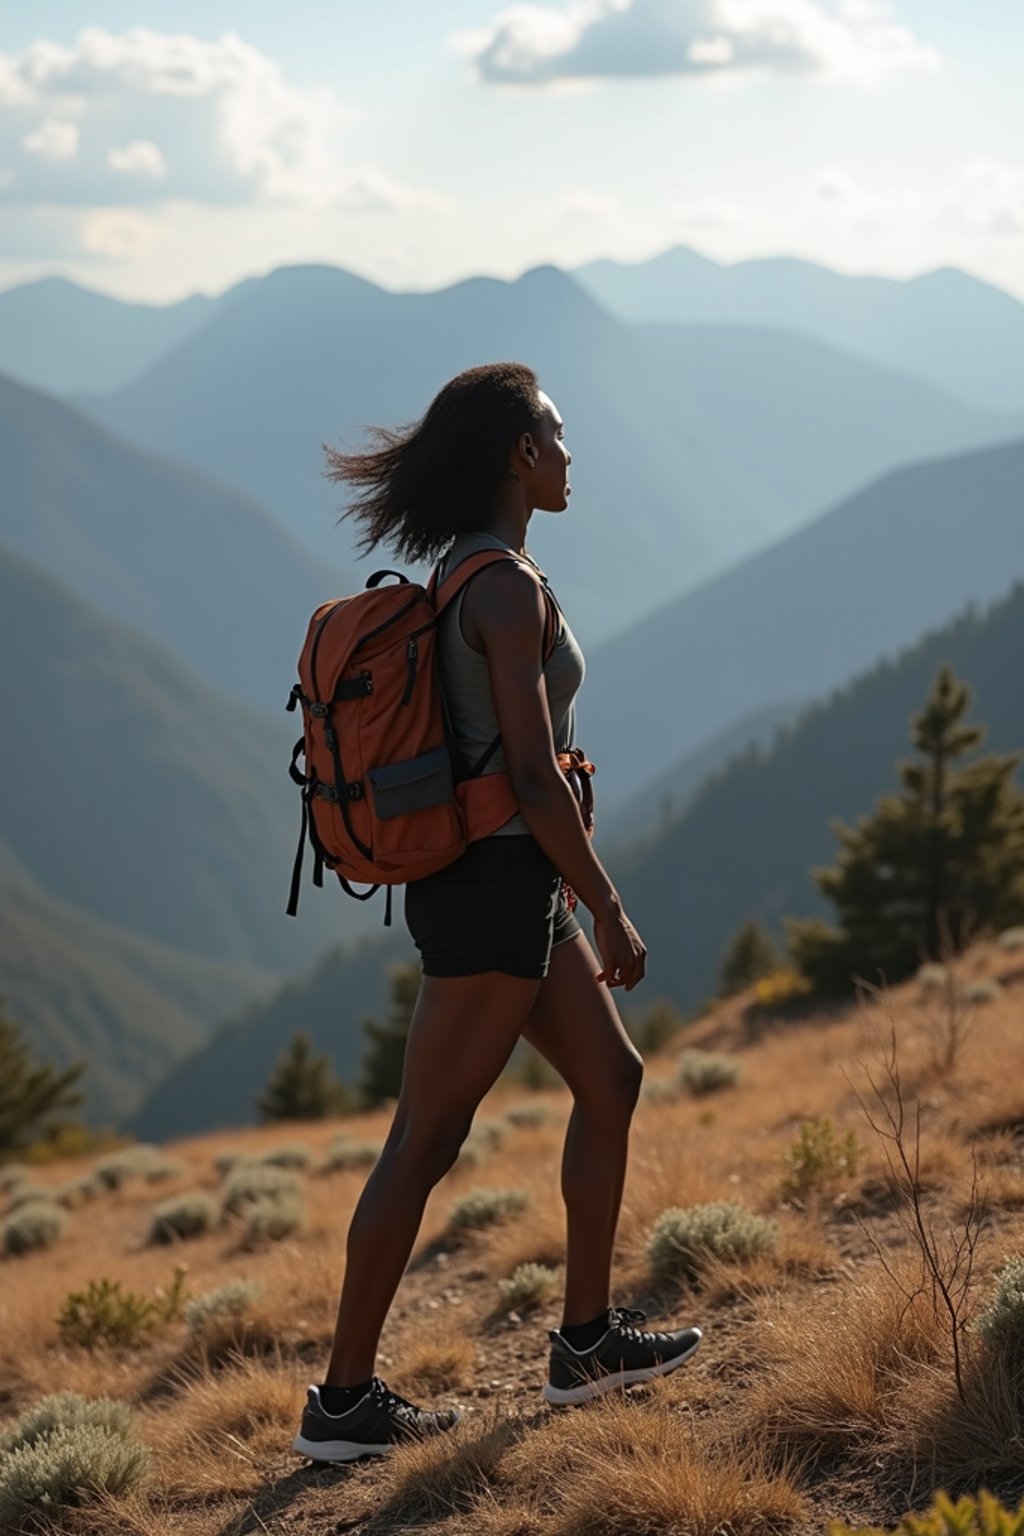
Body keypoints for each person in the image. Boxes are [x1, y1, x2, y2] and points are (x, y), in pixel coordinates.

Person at [291, 362, 702, 1464]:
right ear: (521, 454)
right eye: (558, 437)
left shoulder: (467, 572)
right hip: (494, 893)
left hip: (507, 885)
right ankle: (342, 1403)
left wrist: (568, 891)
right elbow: (529, 775)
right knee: (425, 1136)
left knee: (611, 1078)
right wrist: (606, 904)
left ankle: (584, 1343)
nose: (571, 456)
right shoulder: (505, 589)